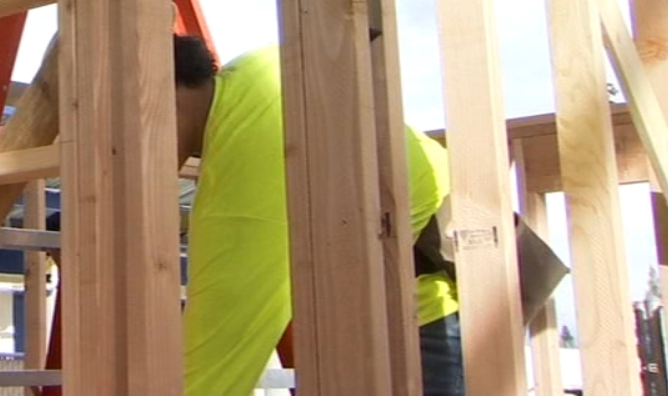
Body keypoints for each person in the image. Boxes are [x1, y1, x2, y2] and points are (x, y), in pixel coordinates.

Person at [173, 36, 464, 396]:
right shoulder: (260, 68)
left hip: (420, 323)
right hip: (438, 287)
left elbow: (213, 370)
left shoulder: (243, 179)